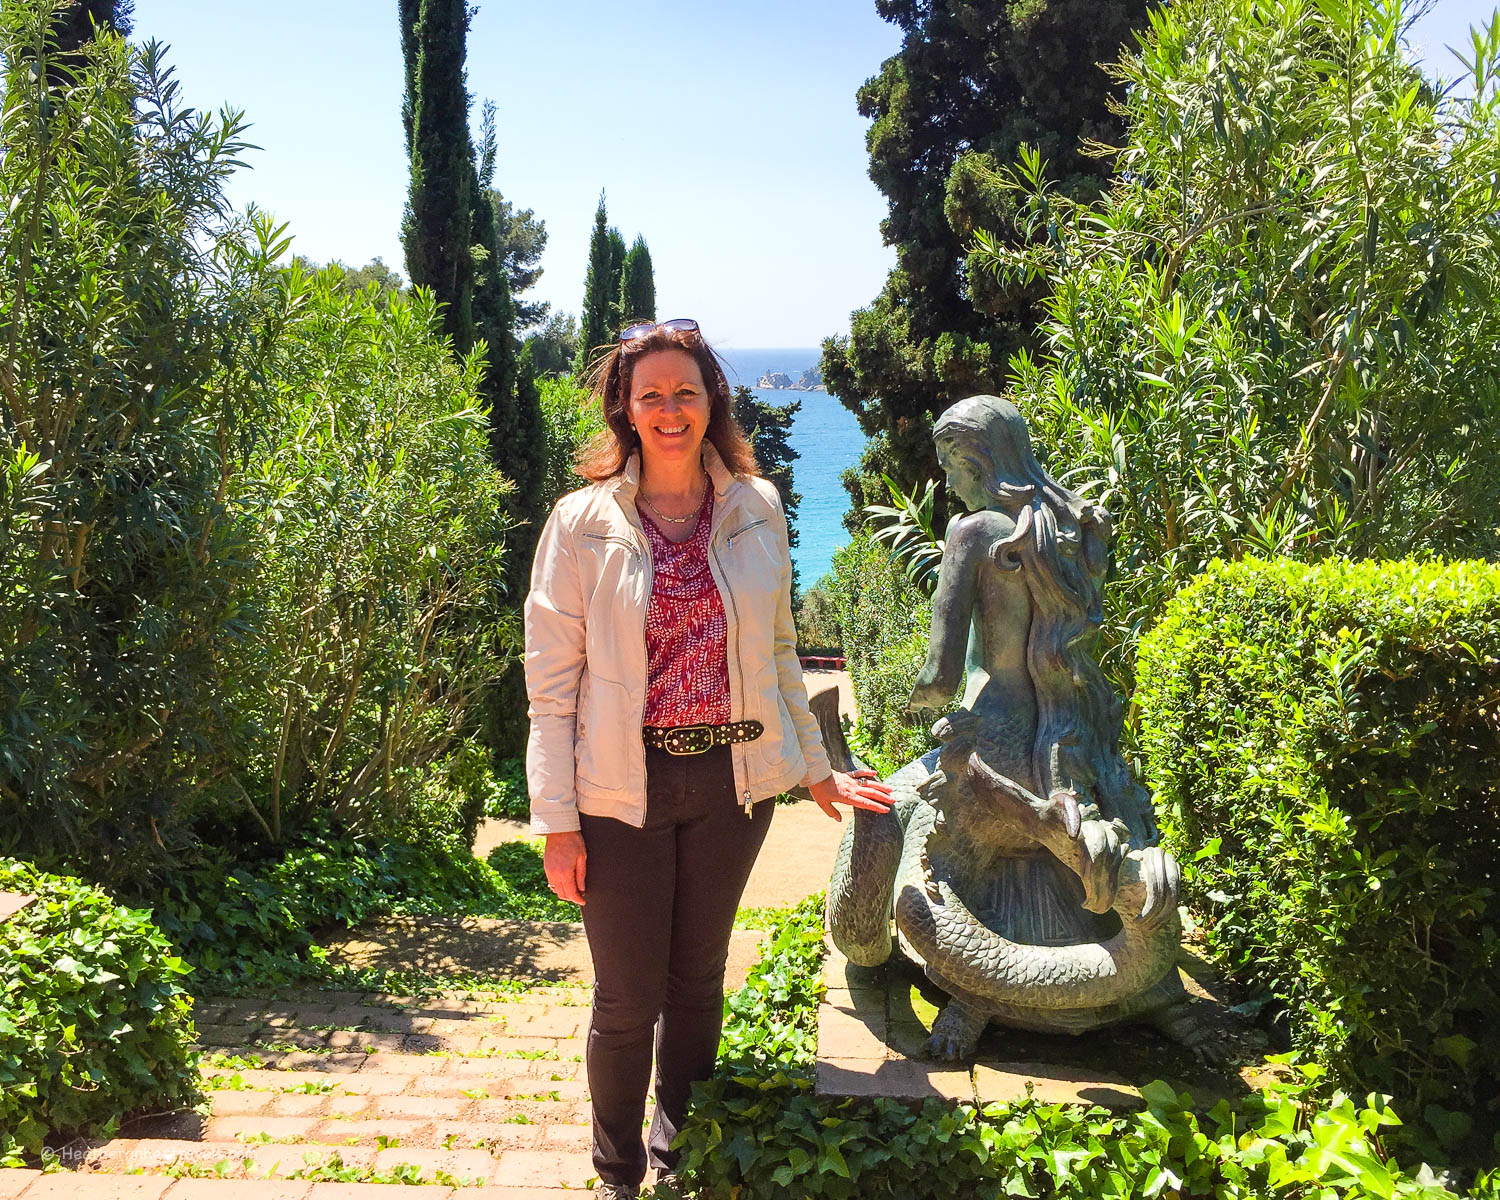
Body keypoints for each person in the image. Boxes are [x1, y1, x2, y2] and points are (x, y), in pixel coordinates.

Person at [522, 318, 894, 1200]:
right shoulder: (580, 524)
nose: (670, 409)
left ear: (710, 400)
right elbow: (552, 687)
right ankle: (616, 1174)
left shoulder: (755, 507)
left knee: (697, 981)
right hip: (620, 790)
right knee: (625, 997)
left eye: (685, 391)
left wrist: (812, 768)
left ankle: (676, 1152)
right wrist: (556, 824)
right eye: (650, 394)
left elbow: (776, 651)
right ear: (625, 408)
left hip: (732, 787)